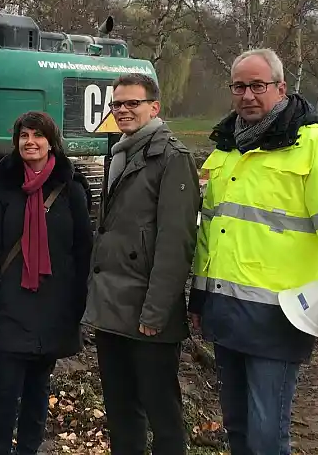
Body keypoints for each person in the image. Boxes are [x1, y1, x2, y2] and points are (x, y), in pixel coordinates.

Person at [189, 48, 318, 455]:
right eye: (239, 86)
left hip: (279, 318)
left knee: (266, 436)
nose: (247, 95)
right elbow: (213, 229)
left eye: (258, 86)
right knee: (238, 430)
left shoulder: (314, 146)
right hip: (226, 313)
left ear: (281, 88)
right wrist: (201, 295)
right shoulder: (226, 147)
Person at [82, 72, 200, 455]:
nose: (123, 110)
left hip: (147, 314)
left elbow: (175, 241)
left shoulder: (172, 158)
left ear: (154, 107)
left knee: (161, 411)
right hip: (112, 307)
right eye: (117, 104)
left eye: (132, 103)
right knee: (120, 410)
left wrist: (156, 312)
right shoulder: (118, 153)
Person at [0, 111, 94, 455]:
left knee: (39, 387)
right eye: (24, 136)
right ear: (16, 142)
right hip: (10, 302)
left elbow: (83, 249)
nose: (30, 142)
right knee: (6, 388)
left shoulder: (70, 186)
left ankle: (29, 448)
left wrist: (81, 305)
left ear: (50, 141)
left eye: (38, 136)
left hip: (55, 305)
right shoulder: (1, 183)